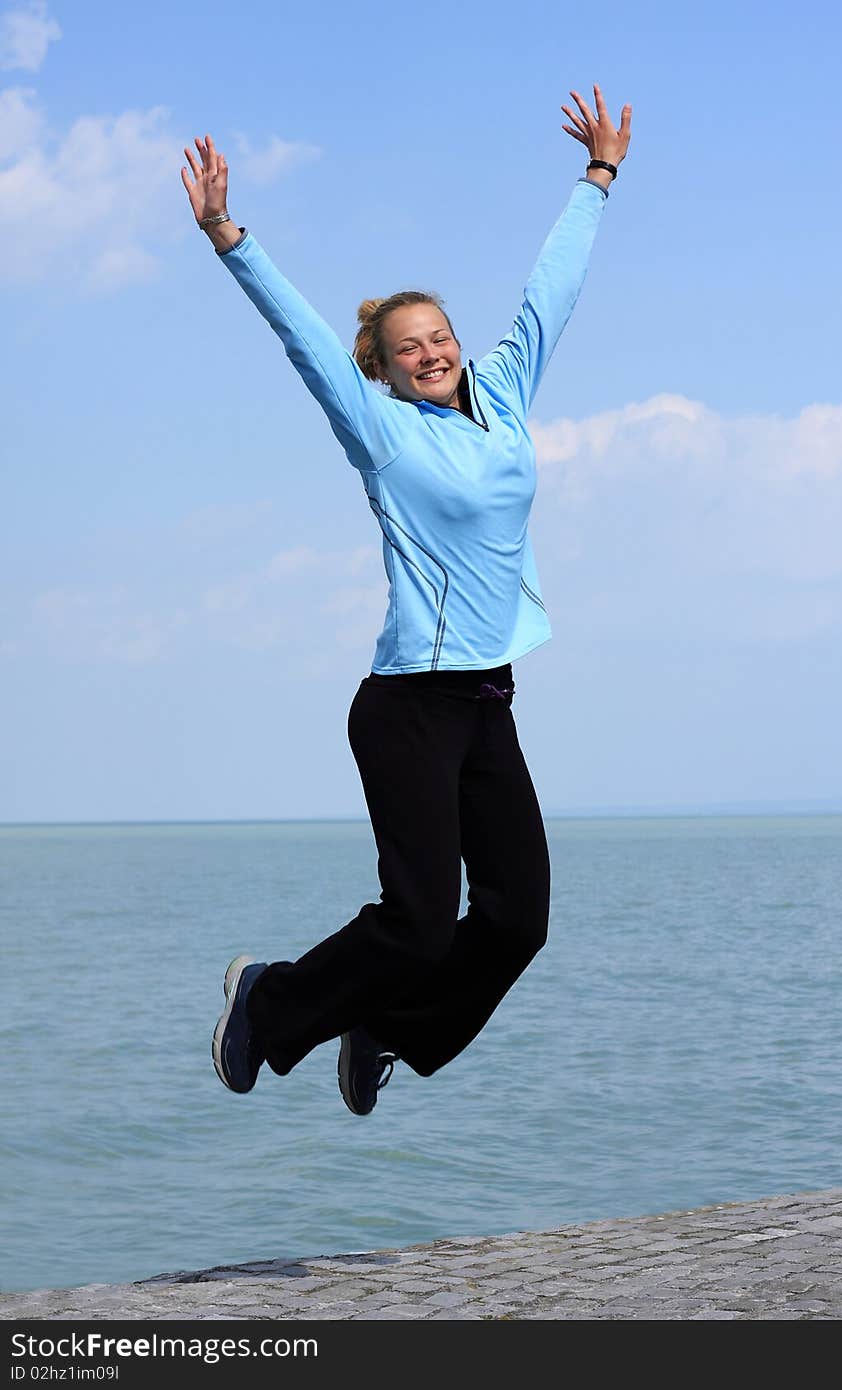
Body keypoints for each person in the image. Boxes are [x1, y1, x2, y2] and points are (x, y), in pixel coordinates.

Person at [181, 84, 632, 1115]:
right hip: (409, 705)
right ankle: (270, 1000)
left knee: (517, 921)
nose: (429, 351)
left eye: (438, 336)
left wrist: (598, 177)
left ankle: (388, 1024)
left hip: (485, 701)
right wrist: (228, 238)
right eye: (405, 348)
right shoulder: (384, 433)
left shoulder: (505, 392)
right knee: (421, 920)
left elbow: (549, 292)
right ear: (380, 372)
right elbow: (301, 336)